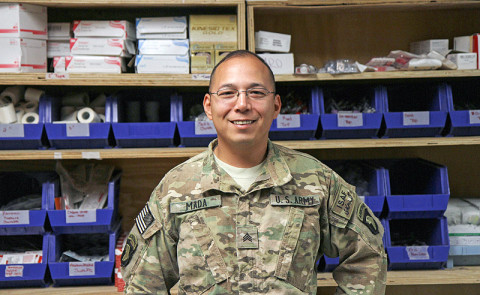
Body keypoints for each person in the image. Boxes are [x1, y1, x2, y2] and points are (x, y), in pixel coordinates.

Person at [121, 50, 387, 295]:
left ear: (276, 105)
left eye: (257, 93)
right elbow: (142, 282)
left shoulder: (316, 181)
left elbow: (367, 253)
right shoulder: (176, 188)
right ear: (208, 106)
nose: (242, 104)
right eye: (227, 93)